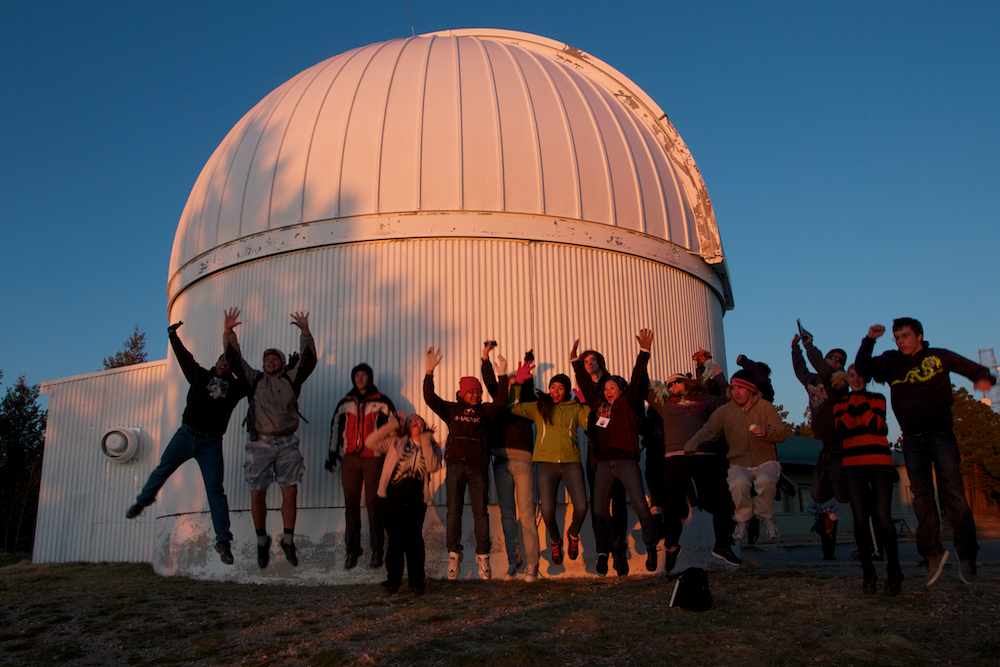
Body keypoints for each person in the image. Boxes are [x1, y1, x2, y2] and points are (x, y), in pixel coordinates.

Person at [855, 318, 996, 586]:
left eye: (905, 336)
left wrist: (983, 377)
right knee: (921, 497)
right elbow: (862, 367)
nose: (900, 342)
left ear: (919, 335)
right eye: (897, 337)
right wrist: (869, 339)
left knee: (952, 492)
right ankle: (932, 553)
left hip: (941, 435)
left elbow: (970, 367)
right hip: (912, 440)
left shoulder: (937, 356)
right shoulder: (891, 361)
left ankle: (967, 556)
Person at [126, 321, 247, 565]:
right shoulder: (200, 376)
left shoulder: (236, 388)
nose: (224, 364)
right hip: (185, 435)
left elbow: (260, 380)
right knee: (162, 470)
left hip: (210, 444)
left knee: (215, 491)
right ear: (216, 364)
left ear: (233, 368)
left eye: (229, 362)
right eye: (221, 361)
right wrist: (172, 335)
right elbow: (184, 357)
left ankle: (223, 541)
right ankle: (142, 502)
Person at [224, 308, 317, 569]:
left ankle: (287, 540)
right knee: (257, 495)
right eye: (267, 359)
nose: (270, 361)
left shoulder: (291, 379)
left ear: (281, 362)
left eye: (274, 358)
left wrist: (305, 332)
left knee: (290, 492)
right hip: (260, 443)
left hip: (287, 443)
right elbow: (234, 360)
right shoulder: (254, 381)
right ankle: (261, 540)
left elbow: (309, 360)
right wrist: (229, 332)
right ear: (263, 363)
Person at [424, 347, 509, 581]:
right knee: (454, 512)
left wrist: (502, 376)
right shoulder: (452, 410)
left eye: (478, 392)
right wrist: (429, 372)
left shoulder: (485, 412)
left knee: (481, 513)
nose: (476, 395)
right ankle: (454, 556)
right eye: (471, 392)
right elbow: (430, 398)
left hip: (478, 467)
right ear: (462, 393)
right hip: (455, 468)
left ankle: (483, 557)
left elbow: (501, 403)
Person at [647, 363, 738, 570]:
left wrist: (721, 378)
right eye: (668, 384)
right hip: (676, 457)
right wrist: (645, 353)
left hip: (705, 455)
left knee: (722, 500)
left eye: (676, 381)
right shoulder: (665, 402)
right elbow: (644, 387)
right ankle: (671, 547)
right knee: (671, 505)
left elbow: (729, 400)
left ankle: (722, 545)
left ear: (687, 383)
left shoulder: (704, 400)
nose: (672, 386)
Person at [585, 329, 659, 577]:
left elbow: (637, 380)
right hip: (604, 463)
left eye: (612, 387)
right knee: (599, 510)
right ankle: (616, 548)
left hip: (626, 461)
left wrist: (644, 353)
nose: (608, 391)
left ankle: (651, 546)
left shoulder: (629, 405)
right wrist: (577, 364)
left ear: (621, 389)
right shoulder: (599, 408)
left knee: (640, 505)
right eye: (605, 388)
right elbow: (589, 387)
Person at [683, 370, 787, 541]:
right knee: (714, 498)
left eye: (740, 388)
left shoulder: (755, 405)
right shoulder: (710, 404)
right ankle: (744, 520)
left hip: (738, 453)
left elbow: (780, 433)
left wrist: (720, 378)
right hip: (716, 452)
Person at [511, 362, 590, 577]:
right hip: (546, 465)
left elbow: (591, 422)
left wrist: (585, 401)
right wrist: (517, 383)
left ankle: (573, 535)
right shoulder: (539, 406)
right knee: (547, 511)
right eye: (553, 387)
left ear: (566, 391)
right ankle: (556, 540)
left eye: (560, 388)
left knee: (582, 506)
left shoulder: (575, 409)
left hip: (571, 463)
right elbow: (512, 406)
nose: (555, 391)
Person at [833, 364, 902, 595]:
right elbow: (845, 428)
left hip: (880, 463)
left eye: (860, 375)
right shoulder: (839, 402)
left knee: (883, 517)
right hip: (852, 465)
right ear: (846, 378)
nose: (856, 379)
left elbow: (875, 424)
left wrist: (859, 401)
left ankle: (894, 570)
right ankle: (867, 570)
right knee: (860, 519)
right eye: (852, 376)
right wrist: (860, 408)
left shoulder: (878, 397)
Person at [327, 363, 396, 570]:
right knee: (351, 504)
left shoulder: (382, 402)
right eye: (356, 375)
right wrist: (332, 454)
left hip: (374, 458)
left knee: (374, 504)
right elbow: (335, 429)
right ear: (353, 378)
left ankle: (377, 550)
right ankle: (352, 550)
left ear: (369, 378)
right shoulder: (345, 403)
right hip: (350, 459)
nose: (360, 379)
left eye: (363, 375)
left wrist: (391, 456)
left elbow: (393, 429)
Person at [364, 411, 442, 595]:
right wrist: (392, 425)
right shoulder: (396, 441)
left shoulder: (432, 445)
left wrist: (425, 440)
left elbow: (432, 467)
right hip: (393, 494)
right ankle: (393, 580)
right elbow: (370, 443)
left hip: (416, 496)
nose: (414, 421)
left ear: (423, 425)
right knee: (395, 539)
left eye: (418, 419)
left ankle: (417, 582)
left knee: (414, 539)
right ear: (406, 427)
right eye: (410, 420)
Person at [570, 342, 627, 576]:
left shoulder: (614, 383)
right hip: (596, 450)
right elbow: (582, 379)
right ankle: (602, 551)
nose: (589, 363)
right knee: (598, 503)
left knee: (619, 501)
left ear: (600, 362)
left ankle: (619, 550)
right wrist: (574, 361)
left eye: (592, 360)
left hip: (619, 449)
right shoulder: (586, 389)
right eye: (585, 362)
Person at [482, 345, 538, 581]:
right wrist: (485, 358)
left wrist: (528, 362)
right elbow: (489, 381)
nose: (514, 379)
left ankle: (532, 565)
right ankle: (513, 562)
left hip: (523, 459)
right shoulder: (500, 397)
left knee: (526, 512)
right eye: (511, 377)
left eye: (518, 376)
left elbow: (525, 383)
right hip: (500, 459)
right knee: (506, 514)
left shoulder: (527, 397)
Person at [792, 333, 849, 508]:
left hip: (840, 443)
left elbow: (823, 368)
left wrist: (809, 346)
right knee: (817, 494)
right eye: (831, 357)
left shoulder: (840, 381)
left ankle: (861, 493)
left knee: (842, 494)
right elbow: (801, 371)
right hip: (825, 445)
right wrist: (795, 348)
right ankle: (831, 508)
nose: (834, 361)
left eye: (838, 360)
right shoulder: (813, 380)